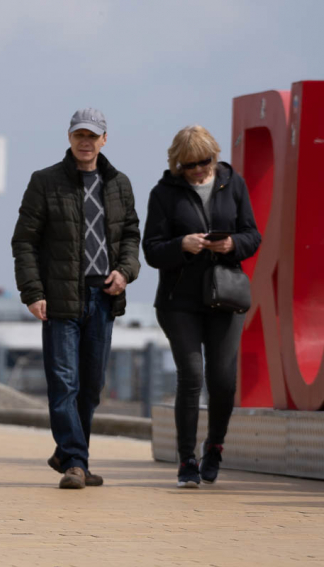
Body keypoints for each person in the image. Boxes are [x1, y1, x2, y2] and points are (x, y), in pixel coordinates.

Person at [11, 108, 141, 489]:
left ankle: (70, 453)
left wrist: (126, 271)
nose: (85, 142)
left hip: (103, 296)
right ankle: (75, 462)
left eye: (92, 136)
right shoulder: (45, 182)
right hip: (60, 297)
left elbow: (131, 236)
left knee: (91, 385)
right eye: (79, 135)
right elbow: (25, 242)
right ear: (69, 137)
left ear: (104, 139)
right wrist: (33, 292)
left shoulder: (119, 184)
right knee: (63, 382)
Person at [142, 125, 261, 488]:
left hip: (225, 297)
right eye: (189, 164)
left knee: (223, 381)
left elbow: (252, 235)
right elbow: (151, 250)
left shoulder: (233, 184)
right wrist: (183, 245)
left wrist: (231, 246)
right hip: (180, 302)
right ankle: (186, 460)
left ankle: (215, 445)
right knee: (191, 378)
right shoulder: (163, 193)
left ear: (215, 155)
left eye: (204, 162)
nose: (198, 170)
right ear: (177, 163)